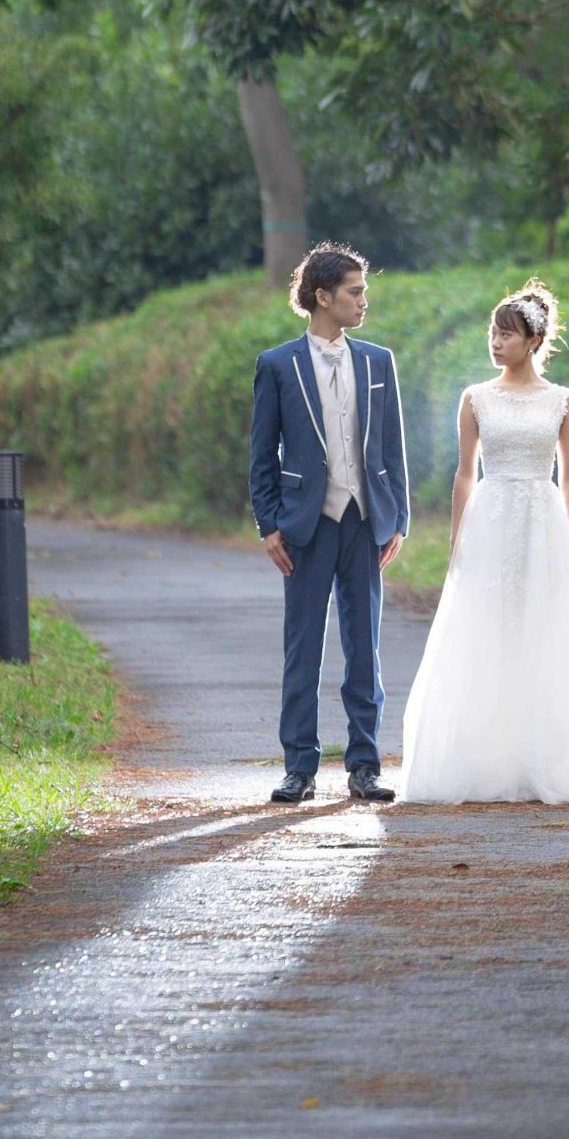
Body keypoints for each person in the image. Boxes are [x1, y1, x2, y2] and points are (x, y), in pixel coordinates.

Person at [400, 280, 569, 805]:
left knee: (546, 627)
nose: (496, 342)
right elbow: (464, 474)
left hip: (543, 518)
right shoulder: (475, 397)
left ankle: (548, 757)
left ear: (533, 340)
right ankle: (487, 760)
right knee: (488, 628)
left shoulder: (563, 401)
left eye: (506, 334)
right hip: (491, 516)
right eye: (493, 332)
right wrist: (457, 539)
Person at [248, 241, 408, 805]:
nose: (364, 301)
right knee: (303, 648)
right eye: (355, 292)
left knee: (364, 647)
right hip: (306, 525)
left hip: (365, 520)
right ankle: (300, 767)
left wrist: (399, 519)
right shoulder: (277, 365)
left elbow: (391, 445)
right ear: (323, 297)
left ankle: (365, 765)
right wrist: (269, 523)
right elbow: (262, 453)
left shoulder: (377, 361)